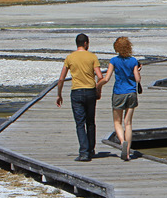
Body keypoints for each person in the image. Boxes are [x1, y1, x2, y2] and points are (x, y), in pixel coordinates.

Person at [55, 33, 105, 162]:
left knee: (79, 123)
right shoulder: (92, 57)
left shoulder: (70, 58)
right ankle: (91, 150)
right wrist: (98, 90)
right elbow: (100, 77)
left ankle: (83, 153)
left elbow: (61, 79)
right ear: (86, 43)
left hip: (76, 92)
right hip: (90, 91)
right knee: (90, 122)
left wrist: (59, 95)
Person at [101, 36, 141, 161]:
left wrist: (98, 85)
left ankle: (122, 141)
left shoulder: (114, 61)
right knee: (128, 123)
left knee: (117, 122)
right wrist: (138, 71)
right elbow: (137, 79)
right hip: (131, 93)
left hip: (118, 93)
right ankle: (128, 152)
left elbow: (107, 78)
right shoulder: (133, 61)